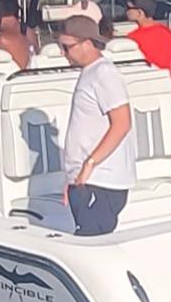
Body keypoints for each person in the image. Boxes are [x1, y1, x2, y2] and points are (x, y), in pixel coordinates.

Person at [57, 16, 135, 236]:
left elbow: (122, 123)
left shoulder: (104, 73)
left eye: (67, 47)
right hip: (86, 180)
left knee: (90, 240)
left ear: (87, 42)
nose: (63, 53)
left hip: (101, 182)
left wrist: (89, 165)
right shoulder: (90, 72)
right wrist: (73, 177)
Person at [123, 0, 171, 95]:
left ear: (139, 13)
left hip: (147, 89)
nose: (125, 11)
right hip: (169, 87)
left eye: (128, 8)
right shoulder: (167, 32)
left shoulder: (133, 38)